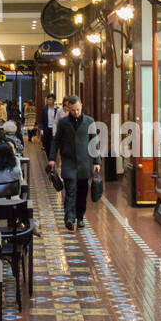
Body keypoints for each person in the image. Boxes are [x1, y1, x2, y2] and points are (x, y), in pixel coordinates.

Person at [50, 94, 101, 231]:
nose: (76, 112)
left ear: (81, 105)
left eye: (77, 109)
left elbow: (94, 142)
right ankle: (69, 218)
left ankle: (80, 217)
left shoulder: (90, 122)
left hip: (84, 164)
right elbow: (56, 142)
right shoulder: (63, 123)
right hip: (68, 163)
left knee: (82, 193)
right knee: (70, 191)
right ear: (68, 109)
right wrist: (52, 159)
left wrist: (97, 161)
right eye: (73, 110)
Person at [40, 94, 59, 160]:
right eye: (48, 100)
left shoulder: (57, 109)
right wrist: (41, 129)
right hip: (46, 129)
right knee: (47, 145)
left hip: (54, 129)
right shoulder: (44, 109)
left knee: (53, 144)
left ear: (54, 100)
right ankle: (49, 158)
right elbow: (42, 120)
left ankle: (52, 159)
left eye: (51, 100)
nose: (49, 101)